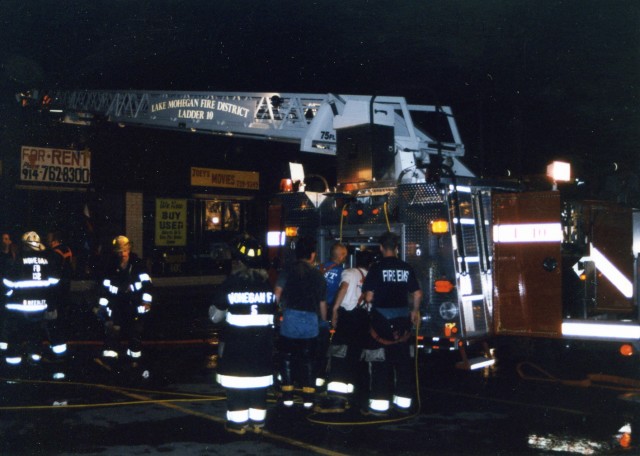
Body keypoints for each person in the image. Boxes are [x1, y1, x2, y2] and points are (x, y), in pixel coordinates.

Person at [209, 234, 276, 435]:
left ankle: (238, 424)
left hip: (237, 349)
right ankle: (258, 423)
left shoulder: (231, 284)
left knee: (237, 387)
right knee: (258, 386)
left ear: (238, 261)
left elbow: (214, 317)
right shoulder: (267, 286)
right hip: (262, 348)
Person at [361, 231, 422, 416]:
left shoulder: (376, 268)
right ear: (397, 248)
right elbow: (417, 294)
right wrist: (414, 311)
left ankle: (380, 405)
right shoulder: (406, 267)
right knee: (403, 362)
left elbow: (369, 296)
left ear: (381, 248)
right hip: (403, 320)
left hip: (381, 321)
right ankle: (403, 404)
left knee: (380, 362)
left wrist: (368, 300)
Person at [315, 249, 374, 414]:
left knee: (339, 355)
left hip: (347, 318)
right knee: (357, 357)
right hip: (363, 318)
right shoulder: (371, 276)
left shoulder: (350, 272)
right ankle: (358, 400)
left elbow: (343, 288)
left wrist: (334, 309)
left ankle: (337, 400)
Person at [274, 236, 327, 409]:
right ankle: (308, 397)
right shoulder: (318, 276)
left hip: (290, 318)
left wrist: (277, 312)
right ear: (312, 255)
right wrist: (324, 321)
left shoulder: (287, 271)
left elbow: (277, 294)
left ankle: (288, 395)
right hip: (311, 320)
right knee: (308, 359)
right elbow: (322, 303)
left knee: (287, 356)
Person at [2, 231, 60, 368]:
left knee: (16, 333)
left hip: (20, 306)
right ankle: (35, 358)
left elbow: (8, 283)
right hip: (40, 306)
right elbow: (54, 282)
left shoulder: (19, 260)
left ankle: (13, 361)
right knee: (35, 334)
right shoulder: (46, 260)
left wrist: (8, 295)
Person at [95, 235, 153, 369]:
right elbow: (105, 288)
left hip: (135, 306)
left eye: (125, 251)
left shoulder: (138, 264)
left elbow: (147, 286)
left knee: (135, 334)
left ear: (129, 249)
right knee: (113, 333)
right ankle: (109, 363)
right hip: (117, 307)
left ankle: (135, 362)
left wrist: (146, 302)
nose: (123, 254)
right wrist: (102, 307)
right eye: (119, 252)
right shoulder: (110, 266)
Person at [315, 242, 347, 389]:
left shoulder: (319, 268)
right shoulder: (342, 272)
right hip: (327, 311)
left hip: (313, 310)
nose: (345, 257)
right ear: (340, 256)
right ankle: (322, 375)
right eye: (344, 254)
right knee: (325, 345)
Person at [45, 231, 74, 362]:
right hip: (66, 290)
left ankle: (56, 353)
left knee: (54, 323)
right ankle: (62, 351)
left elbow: (52, 276)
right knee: (62, 321)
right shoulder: (67, 250)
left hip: (56, 293)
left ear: (54, 240)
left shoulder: (54, 253)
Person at [0, 232, 17, 353]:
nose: (7, 241)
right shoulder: (4, 256)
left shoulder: (13, 254)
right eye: (5, 239)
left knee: (7, 320)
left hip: (8, 293)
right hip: (2, 291)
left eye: (8, 239)